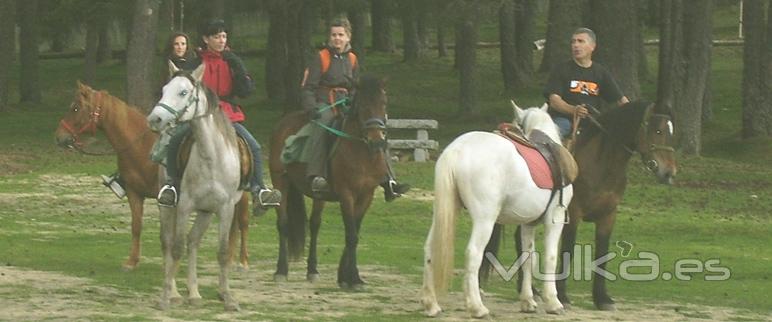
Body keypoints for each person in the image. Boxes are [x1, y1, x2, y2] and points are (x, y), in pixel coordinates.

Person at [156, 19, 281, 215]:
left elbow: (246, 91)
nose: (221, 40)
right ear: (206, 39)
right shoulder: (195, 62)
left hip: (227, 115)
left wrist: (238, 67)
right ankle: (172, 186)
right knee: (175, 141)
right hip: (200, 116)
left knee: (254, 145)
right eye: (216, 36)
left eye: (224, 36)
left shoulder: (232, 60)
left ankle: (259, 189)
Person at [302, 18, 409, 202]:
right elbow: (308, 87)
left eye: (341, 35)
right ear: (329, 37)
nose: (337, 38)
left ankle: (389, 180)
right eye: (334, 35)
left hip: (348, 103)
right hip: (325, 103)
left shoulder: (352, 59)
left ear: (348, 37)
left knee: (375, 129)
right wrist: (312, 107)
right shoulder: (321, 57)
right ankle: (318, 176)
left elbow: (356, 86)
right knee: (323, 125)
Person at [543, 27, 630, 139]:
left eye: (581, 41)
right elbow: (554, 101)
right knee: (555, 132)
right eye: (573, 41)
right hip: (564, 120)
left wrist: (633, 116)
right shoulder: (561, 69)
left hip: (592, 123)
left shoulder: (600, 72)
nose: (576, 45)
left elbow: (621, 100)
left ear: (592, 46)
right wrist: (574, 110)